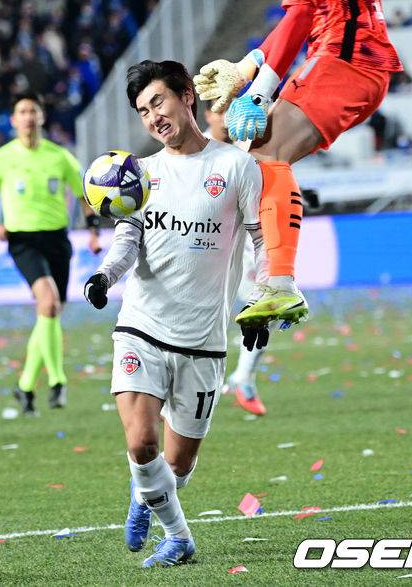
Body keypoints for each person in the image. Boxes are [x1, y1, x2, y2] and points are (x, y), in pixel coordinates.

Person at [194, 0, 402, 326]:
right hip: (350, 58)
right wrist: (247, 67)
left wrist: (259, 91)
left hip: (348, 60)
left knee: (264, 151)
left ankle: (277, 283)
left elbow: (304, 13)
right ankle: (269, 281)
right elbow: (306, 14)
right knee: (257, 159)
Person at [83, 60, 271, 567]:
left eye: (158, 102)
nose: (153, 117)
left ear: (187, 95)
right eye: (143, 111)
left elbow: (261, 241)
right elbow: (127, 237)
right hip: (141, 327)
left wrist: (262, 301)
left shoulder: (236, 166)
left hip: (202, 341)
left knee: (177, 464)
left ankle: (145, 494)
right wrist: (104, 276)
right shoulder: (141, 174)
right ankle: (180, 537)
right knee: (142, 442)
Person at [0, 91, 101, 414]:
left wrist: (92, 231)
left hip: (57, 239)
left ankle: (25, 386)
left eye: (33, 110)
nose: (28, 116)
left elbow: (84, 194)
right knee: (48, 302)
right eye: (22, 111)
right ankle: (58, 381)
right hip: (23, 240)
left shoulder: (60, 157)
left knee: (50, 312)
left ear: (42, 117)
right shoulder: (2, 158)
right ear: (13, 120)